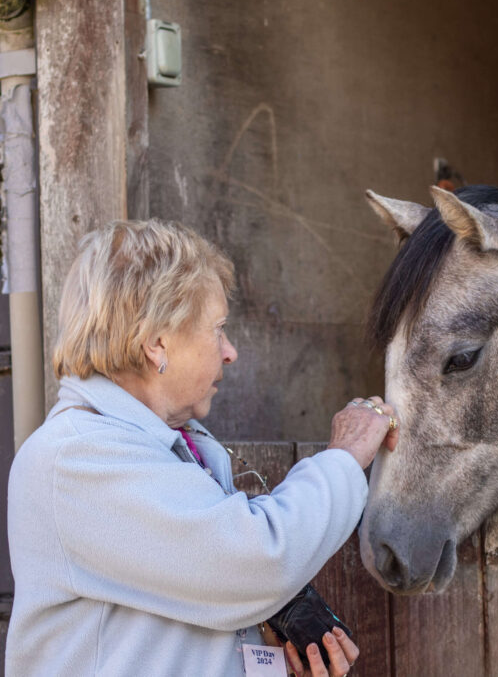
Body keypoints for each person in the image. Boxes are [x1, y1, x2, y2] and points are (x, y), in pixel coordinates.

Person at [7, 220, 399, 677]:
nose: (229, 351)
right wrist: (346, 456)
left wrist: (262, 651)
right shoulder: (77, 458)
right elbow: (255, 562)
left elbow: (173, 625)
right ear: (157, 343)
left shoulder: (163, 446)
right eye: (217, 329)